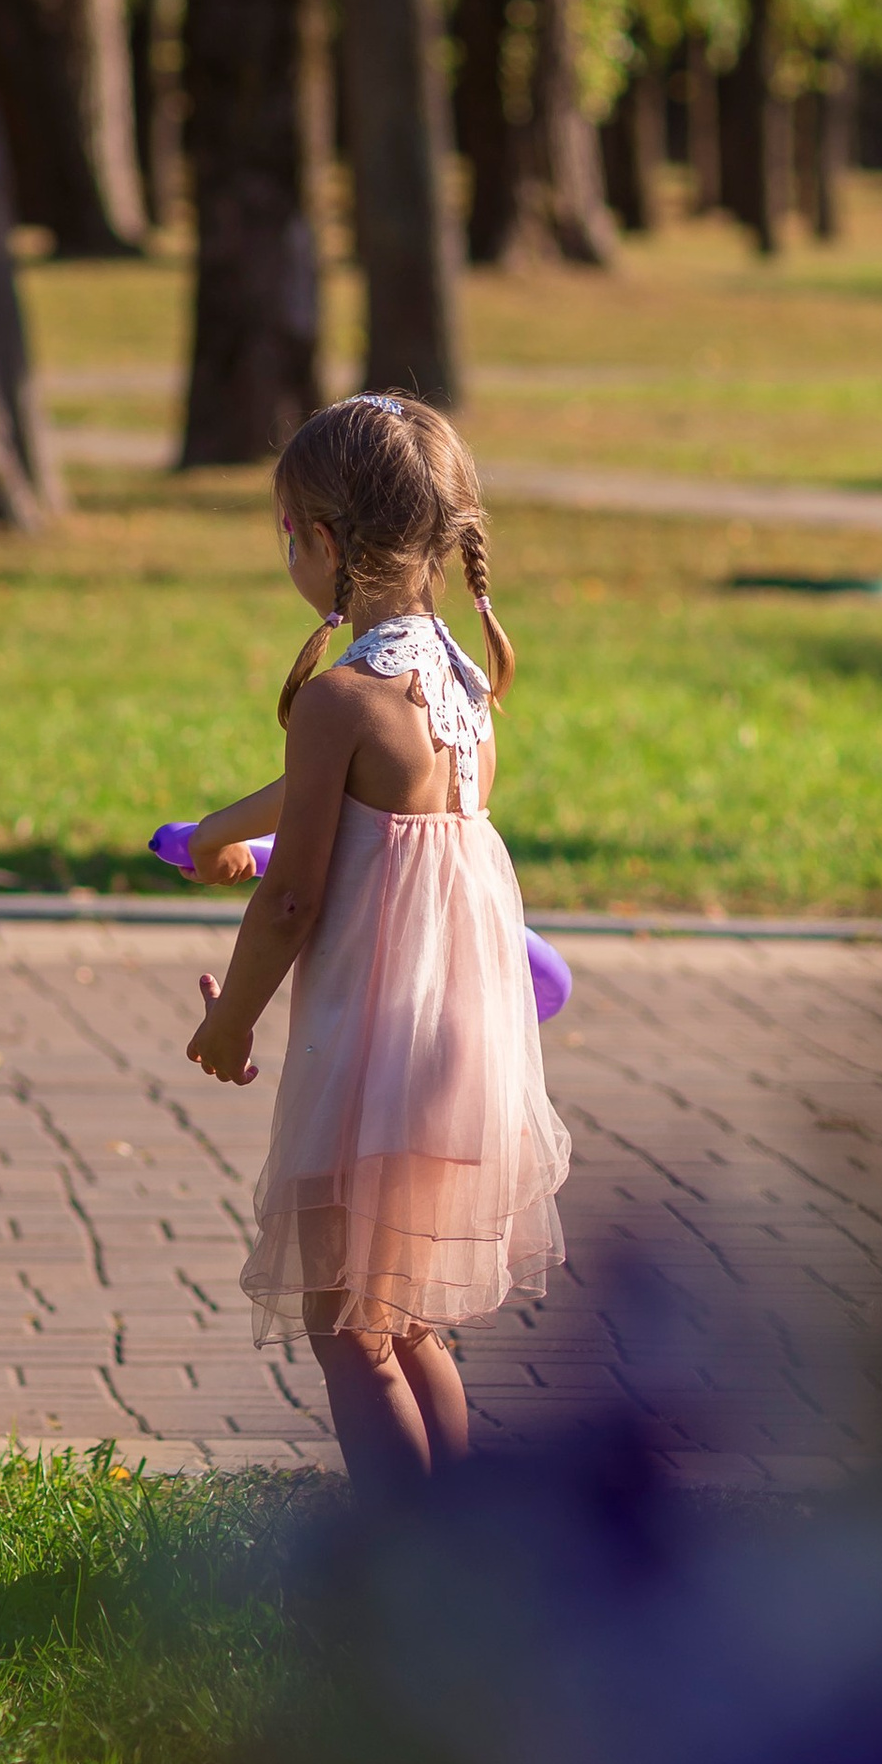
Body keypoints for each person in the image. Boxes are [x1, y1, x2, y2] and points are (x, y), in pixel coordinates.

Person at [182, 393, 569, 1494]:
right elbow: (365, 819)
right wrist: (219, 831)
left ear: (323, 542)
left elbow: (293, 901)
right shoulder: (465, 687)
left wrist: (229, 1021)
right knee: (402, 1320)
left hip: (372, 1051)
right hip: (460, 1051)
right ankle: (459, 1539)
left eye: (286, 538)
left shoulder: (340, 701)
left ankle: (409, 1562)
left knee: (348, 1327)